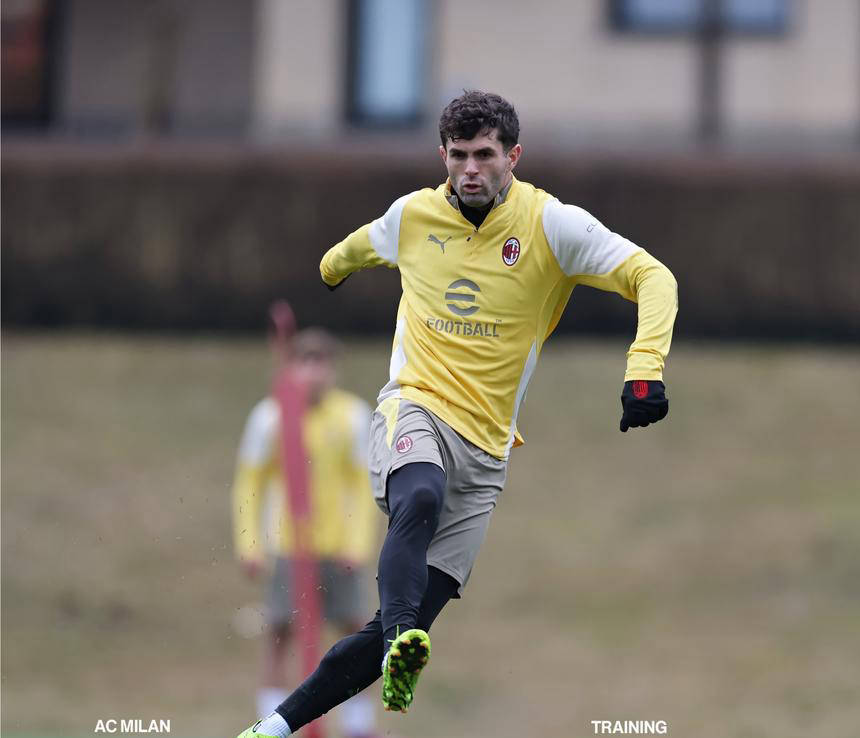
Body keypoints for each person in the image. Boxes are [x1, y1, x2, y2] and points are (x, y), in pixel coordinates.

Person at [237, 90, 677, 738]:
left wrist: (644, 370)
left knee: (398, 627)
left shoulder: (553, 226)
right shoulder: (412, 216)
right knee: (419, 495)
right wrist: (332, 267)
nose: (470, 169)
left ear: (513, 157)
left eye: (485, 155)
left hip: (487, 450)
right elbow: (357, 247)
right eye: (458, 155)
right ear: (442, 154)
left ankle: (272, 729)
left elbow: (654, 277)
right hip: (414, 406)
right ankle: (401, 639)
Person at [232, 328, 380, 738]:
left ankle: (358, 727)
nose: (315, 372)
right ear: (291, 366)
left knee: (357, 634)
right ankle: (270, 725)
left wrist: (356, 543)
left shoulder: (352, 415)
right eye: (306, 362)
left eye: (323, 363)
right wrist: (250, 544)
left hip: (337, 547)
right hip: (287, 546)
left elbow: (363, 483)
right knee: (279, 635)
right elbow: (249, 482)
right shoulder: (270, 416)